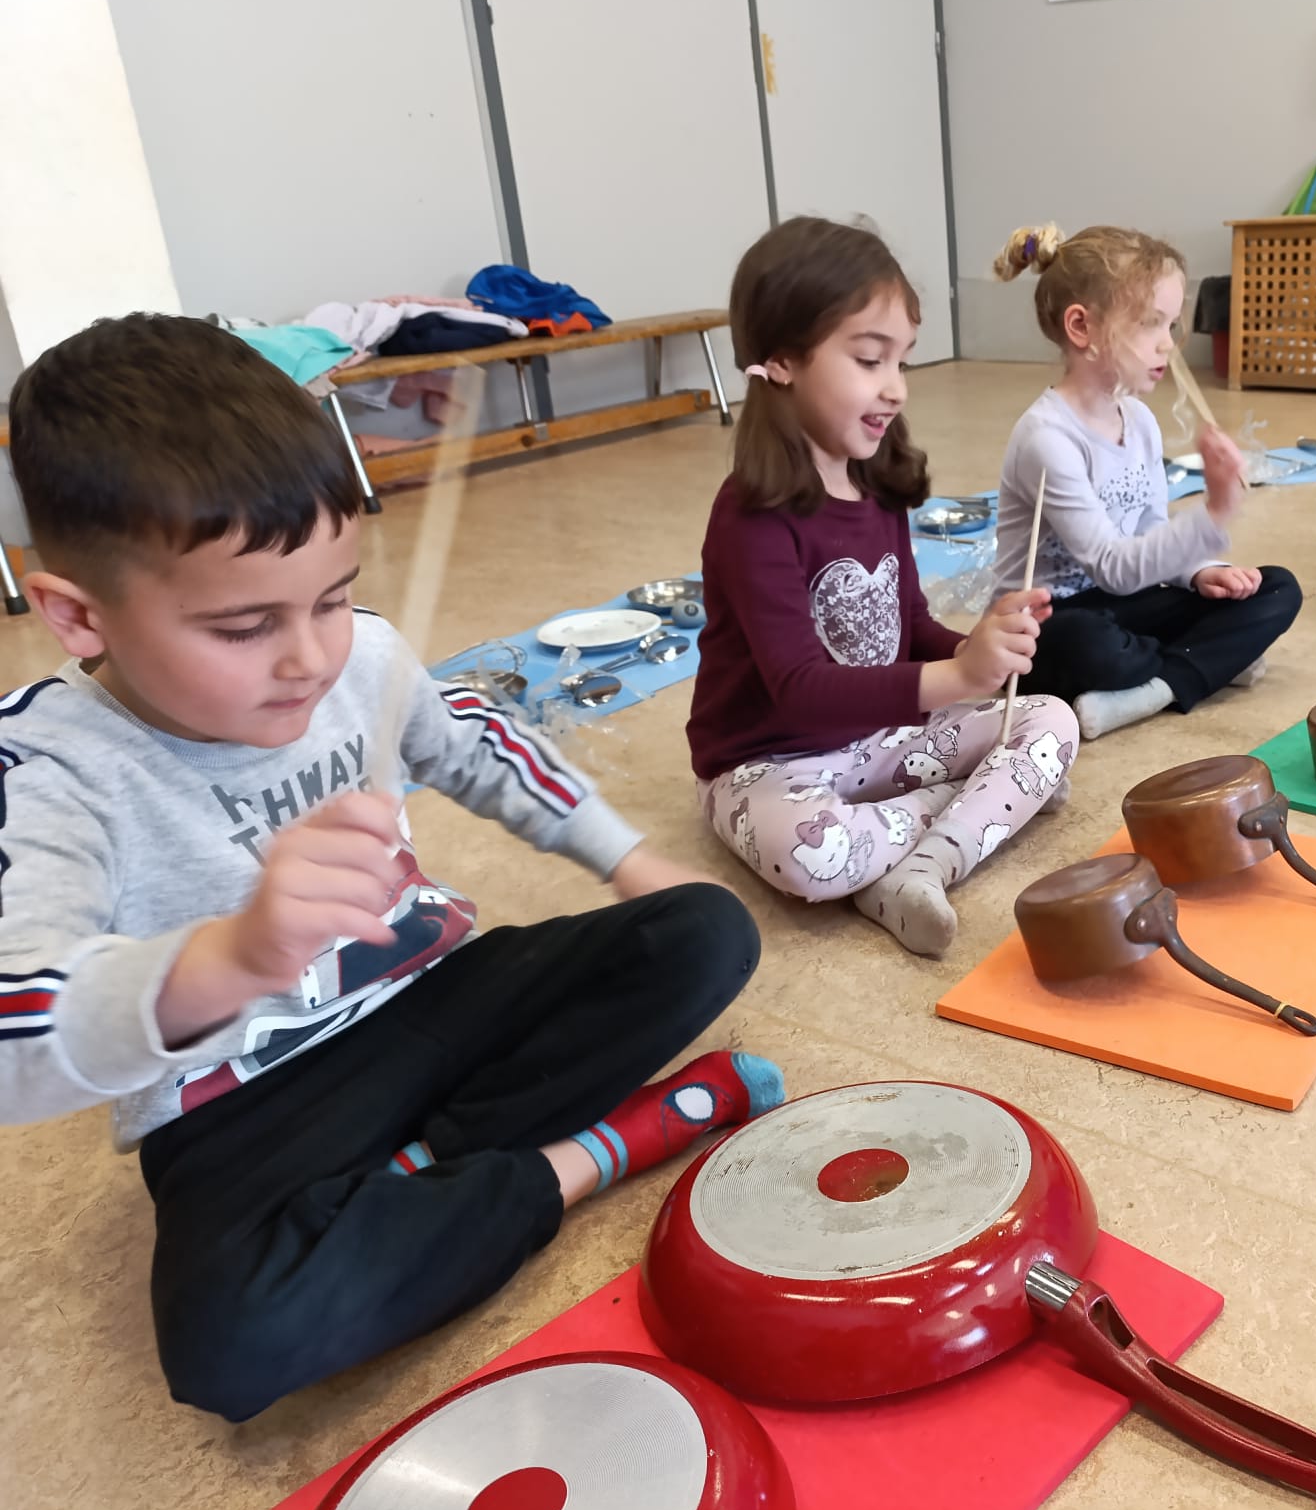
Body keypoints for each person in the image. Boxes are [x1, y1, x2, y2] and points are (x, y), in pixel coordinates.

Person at [0, 315, 777, 1422]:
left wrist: (626, 856)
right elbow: (19, 1032)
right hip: (238, 1100)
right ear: (78, 617)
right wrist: (228, 959)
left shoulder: (358, 656)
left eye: (330, 597)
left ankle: (407, 1189)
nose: (312, 657)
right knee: (226, 1348)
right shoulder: (47, 768)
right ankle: (590, 1156)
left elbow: (479, 747)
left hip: (436, 997)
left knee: (703, 933)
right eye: (243, 627)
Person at [688, 218, 1078, 959]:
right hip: (766, 765)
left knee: (1051, 722)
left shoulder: (875, 484)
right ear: (783, 359)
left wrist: (973, 649)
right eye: (870, 360)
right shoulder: (750, 515)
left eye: (903, 360)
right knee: (813, 856)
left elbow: (907, 624)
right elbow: (799, 690)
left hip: (875, 741)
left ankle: (922, 868)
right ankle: (967, 811)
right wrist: (957, 679)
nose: (895, 388)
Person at [990, 223, 1301, 740]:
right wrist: (1214, 512)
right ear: (1082, 327)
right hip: (1048, 621)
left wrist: (1199, 571)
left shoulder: (1139, 420)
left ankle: (1155, 689)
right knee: (1090, 644)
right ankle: (1205, 663)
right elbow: (1113, 568)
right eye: (1150, 324)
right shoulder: (1046, 438)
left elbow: (1151, 530)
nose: (1168, 345)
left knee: (1276, 588)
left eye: (1171, 325)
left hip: (1123, 603)